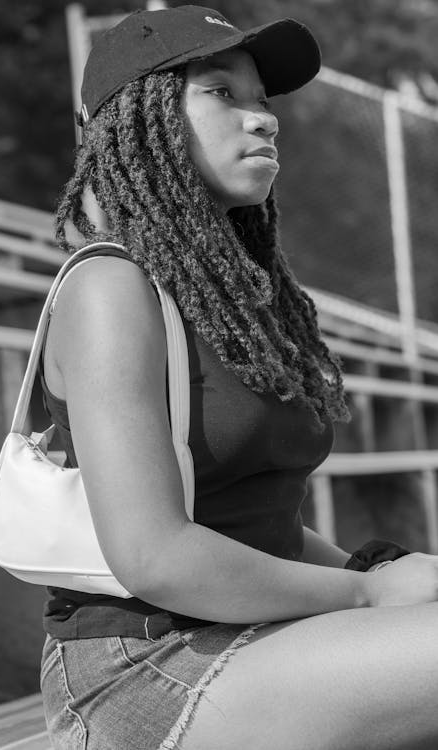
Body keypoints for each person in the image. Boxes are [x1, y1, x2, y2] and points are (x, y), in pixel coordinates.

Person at [38, 5, 438, 749]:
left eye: (262, 100)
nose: (263, 120)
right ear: (141, 118)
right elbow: (154, 555)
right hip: (148, 661)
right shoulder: (109, 288)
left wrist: (372, 566)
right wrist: (367, 591)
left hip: (259, 634)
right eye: (223, 93)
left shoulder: (228, 296)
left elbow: (258, 523)